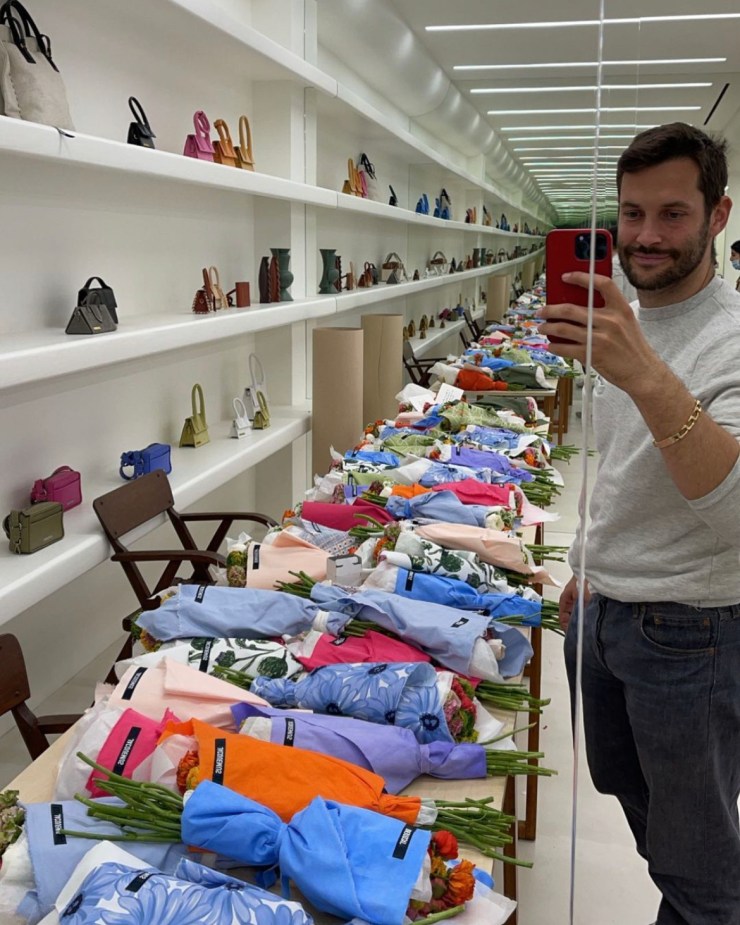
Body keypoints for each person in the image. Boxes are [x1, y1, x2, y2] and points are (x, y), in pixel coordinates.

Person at [538, 122, 740, 925]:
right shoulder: (625, 316)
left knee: (699, 867)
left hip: (692, 633)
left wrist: (647, 377)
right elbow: (620, 464)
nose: (646, 236)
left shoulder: (729, 339)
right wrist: (590, 561)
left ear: (718, 215)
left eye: (672, 214)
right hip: (605, 610)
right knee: (652, 826)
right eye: (631, 213)